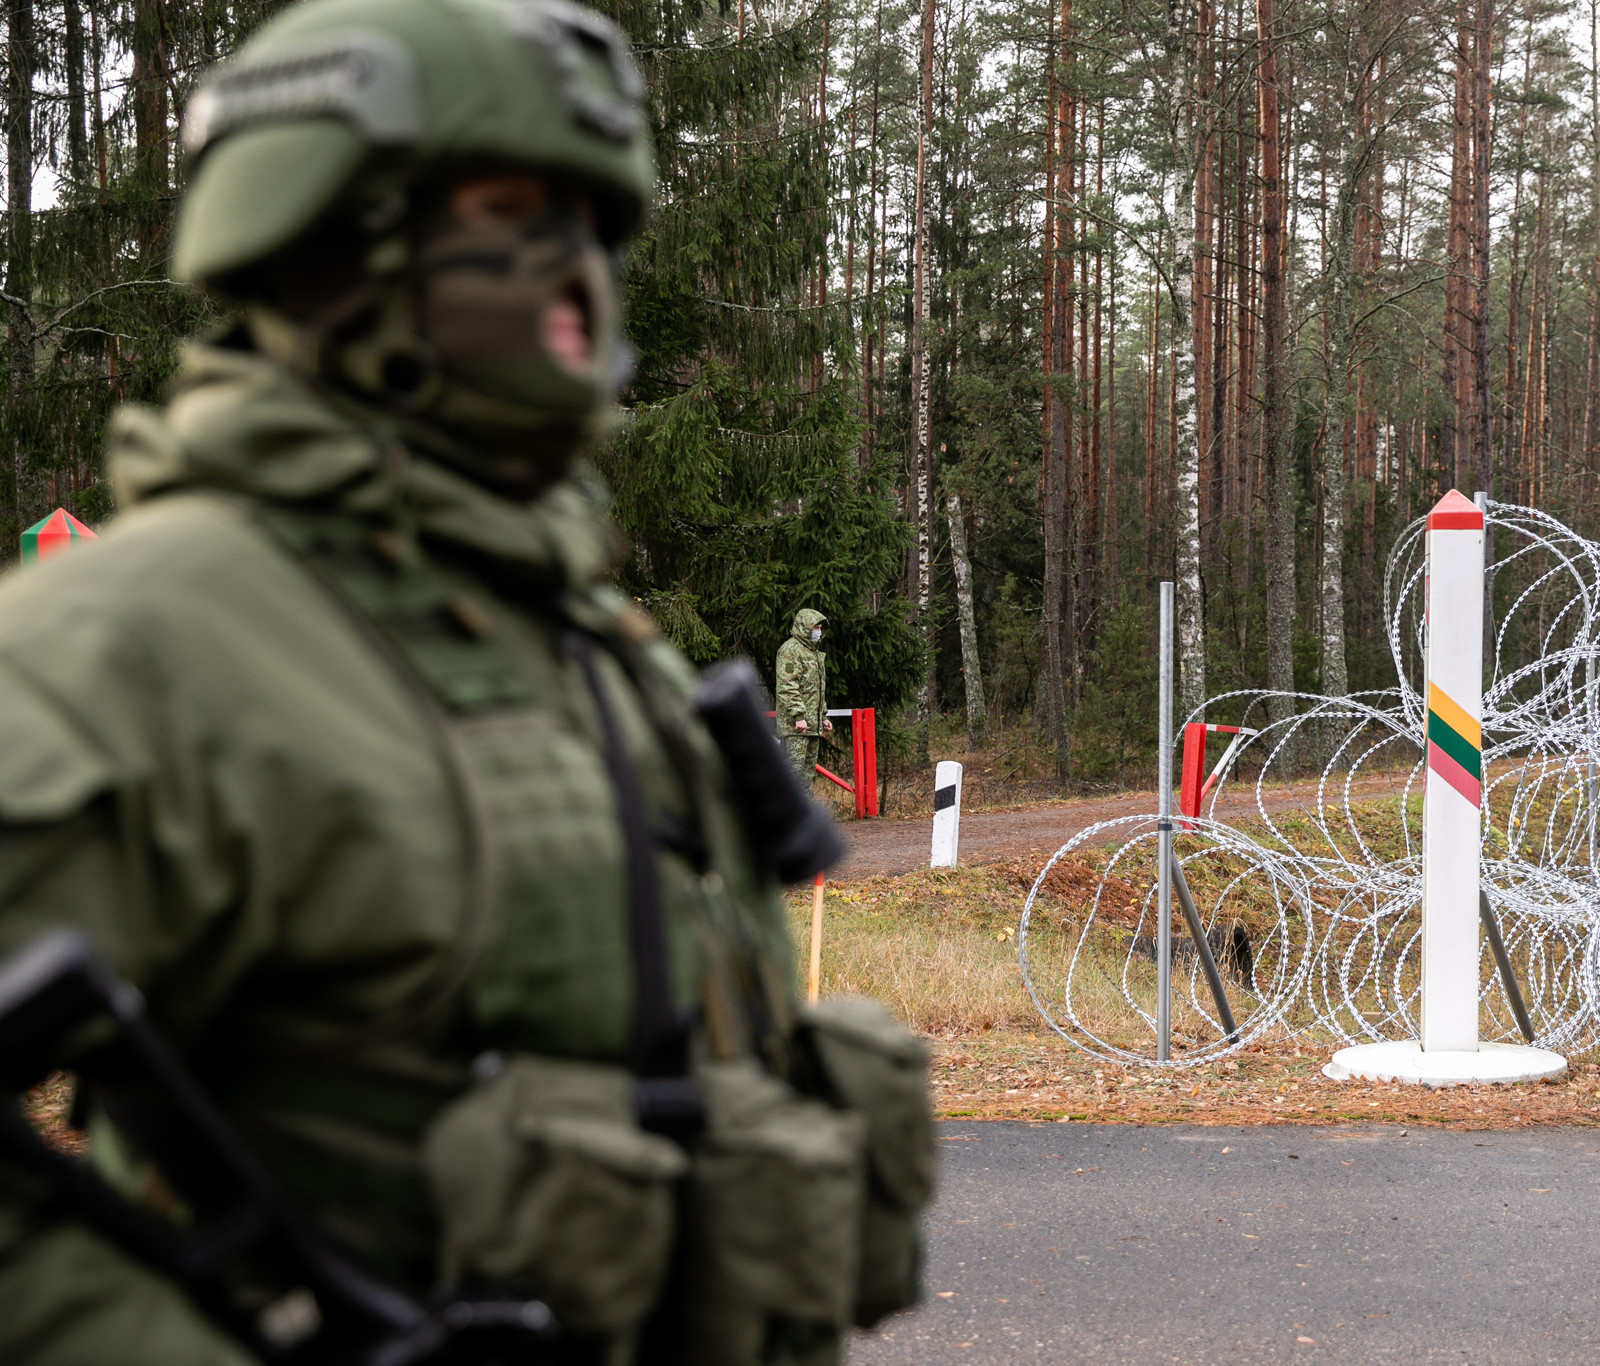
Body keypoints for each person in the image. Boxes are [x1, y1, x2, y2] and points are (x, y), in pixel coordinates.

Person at [0, 1, 928, 1362]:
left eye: (595, 226)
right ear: (329, 240)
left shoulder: (585, 642)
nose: (575, 275)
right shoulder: (128, 647)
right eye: (510, 212)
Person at [777, 608, 832, 778]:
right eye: (816, 627)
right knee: (792, 776)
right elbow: (787, 685)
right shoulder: (790, 650)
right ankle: (786, 806)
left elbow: (817, 687)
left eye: (820, 628)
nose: (819, 631)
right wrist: (798, 715)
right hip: (796, 727)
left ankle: (803, 805)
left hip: (812, 726)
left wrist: (822, 716)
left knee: (806, 776)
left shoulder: (813, 652)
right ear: (804, 627)